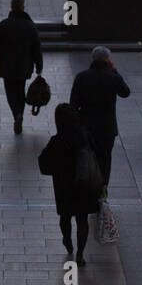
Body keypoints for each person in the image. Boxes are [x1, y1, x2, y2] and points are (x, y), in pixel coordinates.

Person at [39, 103, 100, 265]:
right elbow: (96, 155)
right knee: (82, 219)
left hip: (63, 186)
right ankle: (80, 253)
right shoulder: (84, 137)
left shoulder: (57, 141)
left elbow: (43, 162)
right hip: (83, 184)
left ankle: (67, 239)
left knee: (65, 216)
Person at [69, 46, 131, 189]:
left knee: (88, 158)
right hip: (107, 128)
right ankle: (102, 190)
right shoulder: (113, 77)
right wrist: (115, 70)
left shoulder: (82, 77)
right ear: (107, 60)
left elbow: (73, 104)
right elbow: (125, 92)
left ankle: (88, 188)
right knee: (105, 160)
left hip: (87, 126)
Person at [0, 0, 43, 133]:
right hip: (24, 65)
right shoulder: (29, 26)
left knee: (10, 91)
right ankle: (20, 112)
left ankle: (16, 114)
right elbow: (36, 48)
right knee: (21, 90)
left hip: (6, 66)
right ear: (23, 7)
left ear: (11, 7)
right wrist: (39, 66)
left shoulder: (4, 24)